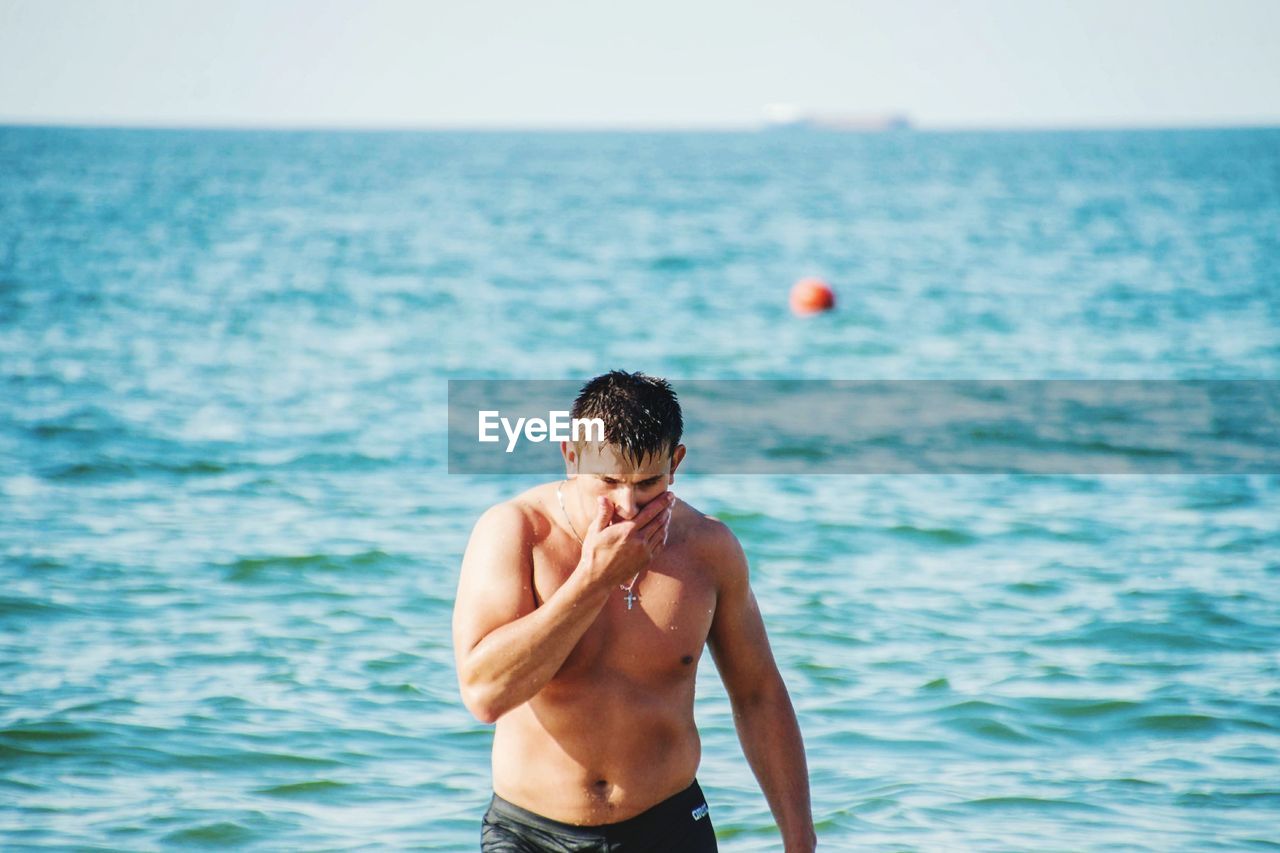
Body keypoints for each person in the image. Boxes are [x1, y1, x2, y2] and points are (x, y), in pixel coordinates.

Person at [453, 370, 816, 852]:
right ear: (570, 455)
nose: (627, 505)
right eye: (608, 481)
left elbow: (758, 694)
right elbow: (484, 695)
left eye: (648, 482)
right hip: (531, 834)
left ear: (676, 462)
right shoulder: (517, 532)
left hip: (669, 826)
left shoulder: (708, 549)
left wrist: (800, 840)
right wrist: (593, 580)